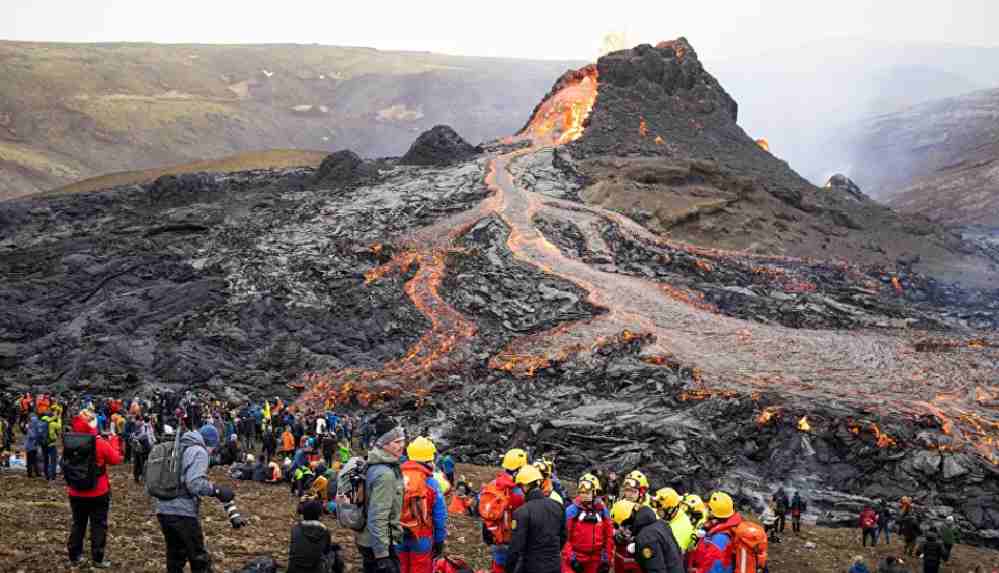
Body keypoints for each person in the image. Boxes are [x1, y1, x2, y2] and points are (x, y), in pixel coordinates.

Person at [155, 425, 247, 573]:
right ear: (209, 443)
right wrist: (217, 490)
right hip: (182, 511)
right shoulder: (199, 451)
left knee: (175, 556)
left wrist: (214, 462)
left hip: (163, 508)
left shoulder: (182, 445)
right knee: (198, 557)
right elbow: (194, 484)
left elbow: (184, 470)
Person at [65, 412, 123, 567]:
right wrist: (114, 441)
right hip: (98, 491)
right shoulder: (99, 442)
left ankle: (74, 556)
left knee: (78, 523)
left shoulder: (70, 440)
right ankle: (98, 558)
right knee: (98, 524)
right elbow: (116, 459)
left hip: (75, 490)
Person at [355, 415, 405, 573]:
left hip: (367, 538)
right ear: (384, 444)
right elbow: (378, 516)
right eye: (397, 442)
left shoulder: (373, 462)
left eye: (403, 440)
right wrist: (382, 556)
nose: (402, 446)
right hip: (379, 544)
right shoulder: (385, 474)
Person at [396, 436, 448, 573]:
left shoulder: (396, 476)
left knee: (400, 568)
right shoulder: (431, 483)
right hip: (422, 535)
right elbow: (440, 516)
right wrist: (439, 540)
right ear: (429, 460)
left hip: (397, 533)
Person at [505, 464, 566, 573]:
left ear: (524, 486)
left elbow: (516, 548)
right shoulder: (558, 506)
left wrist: (509, 569)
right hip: (554, 565)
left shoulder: (522, 512)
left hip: (531, 566)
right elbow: (563, 536)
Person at [482, 448, 528, 573]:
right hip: (512, 538)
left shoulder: (493, 484)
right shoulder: (520, 491)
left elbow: (480, 507)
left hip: (494, 534)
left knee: (498, 565)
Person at [611, 500, 684, 573]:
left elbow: (656, 570)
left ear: (628, 520)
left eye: (624, 525)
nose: (623, 530)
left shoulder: (645, 538)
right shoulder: (661, 524)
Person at [563, 475, 613, 573]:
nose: (584, 495)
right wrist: (572, 559)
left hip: (596, 559)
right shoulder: (571, 511)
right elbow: (564, 538)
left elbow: (608, 537)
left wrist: (606, 560)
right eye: (582, 492)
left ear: (595, 492)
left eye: (587, 492)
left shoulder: (602, 511)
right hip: (575, 557)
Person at [686, 492, 745, 573]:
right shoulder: (727, 526)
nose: (706, 511)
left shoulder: (718, 540)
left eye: (709, 509)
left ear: (713, 513)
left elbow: (714, 569)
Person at [288, 499, 342, 573]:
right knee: (334, 552)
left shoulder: (295, 529)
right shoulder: (324, 530)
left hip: (293, 569)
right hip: (316, 570)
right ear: (319, 515)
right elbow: (326, 551)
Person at [652, 488, 695, 554]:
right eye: (657, 508)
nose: (657, 512)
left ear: (670, 510)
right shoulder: (672, 515)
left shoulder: (681, 529)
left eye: (660, 510)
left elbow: (668, 554)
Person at [40, 406, 62, 481]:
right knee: (53, 460)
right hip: (51, 443)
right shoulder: (52, 423)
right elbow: (59, 427)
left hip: (43, 443)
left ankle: (46, 475)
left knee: (45, 459)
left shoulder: (42, 420)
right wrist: (59, 418)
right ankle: (52, 476)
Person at [131, 416, 154, 483]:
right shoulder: (144, 428)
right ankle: (142, 478)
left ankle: (137, 477)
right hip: (142, 449)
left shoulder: (142, 427)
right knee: (142, 464)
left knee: (138, 463)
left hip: (138, 448)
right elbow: (145, 437)